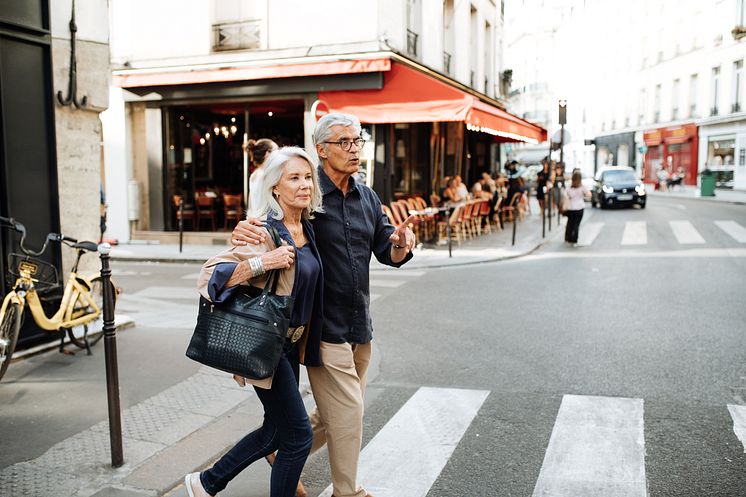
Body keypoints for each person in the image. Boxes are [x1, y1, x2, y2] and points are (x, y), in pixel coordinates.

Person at [231, 113, 415, 497]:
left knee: (338, 413)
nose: (354, 150)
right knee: (350, 414)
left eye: (357, 141)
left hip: (359, 323)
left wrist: (400, 243)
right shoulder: (308, 197)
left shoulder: (368, 196)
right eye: (344, 143)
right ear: (321, 150)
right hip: (322, 328)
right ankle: (347, 491)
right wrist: (246, 230)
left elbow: (386, 249)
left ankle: (282, 451)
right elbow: (271, 226)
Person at [185, 147, 325, 497]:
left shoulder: (308, 226)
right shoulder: (262, 231)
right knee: (297, 436)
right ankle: (209, 482)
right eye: (294, 177)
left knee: (276, 431)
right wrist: (266, 262)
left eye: (308, 177)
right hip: (266, 344)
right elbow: (209, 277)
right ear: (275, 187)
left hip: (290, 345)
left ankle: (207, 482)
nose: (304, 184)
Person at [246, 138, 279, 214]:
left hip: (255, 219)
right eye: (276, 151)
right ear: (267, 153)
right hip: (266, 221)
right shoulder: (268, 174)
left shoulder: (254, 174)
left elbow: (251, 200)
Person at [564, 170, 589, 247]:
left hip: (571, 208)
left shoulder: (569, 187)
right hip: (580, 208)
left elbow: (566, 195)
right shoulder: (582, 187)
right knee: (576, 225)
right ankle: (574, 241)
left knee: (570, 224)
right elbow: (588, 194)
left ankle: (568, 239)